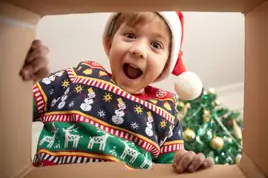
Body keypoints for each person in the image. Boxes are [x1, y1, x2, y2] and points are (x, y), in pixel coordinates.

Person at [20, 11, 213, 173]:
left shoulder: (166, 113)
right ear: (109, 44)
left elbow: (172, 167)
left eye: (156, 45)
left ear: (165, 66)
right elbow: (15, 109)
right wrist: (22, 73)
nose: (138, 50)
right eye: (130, 35)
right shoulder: (77, 77)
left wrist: (186, 161)